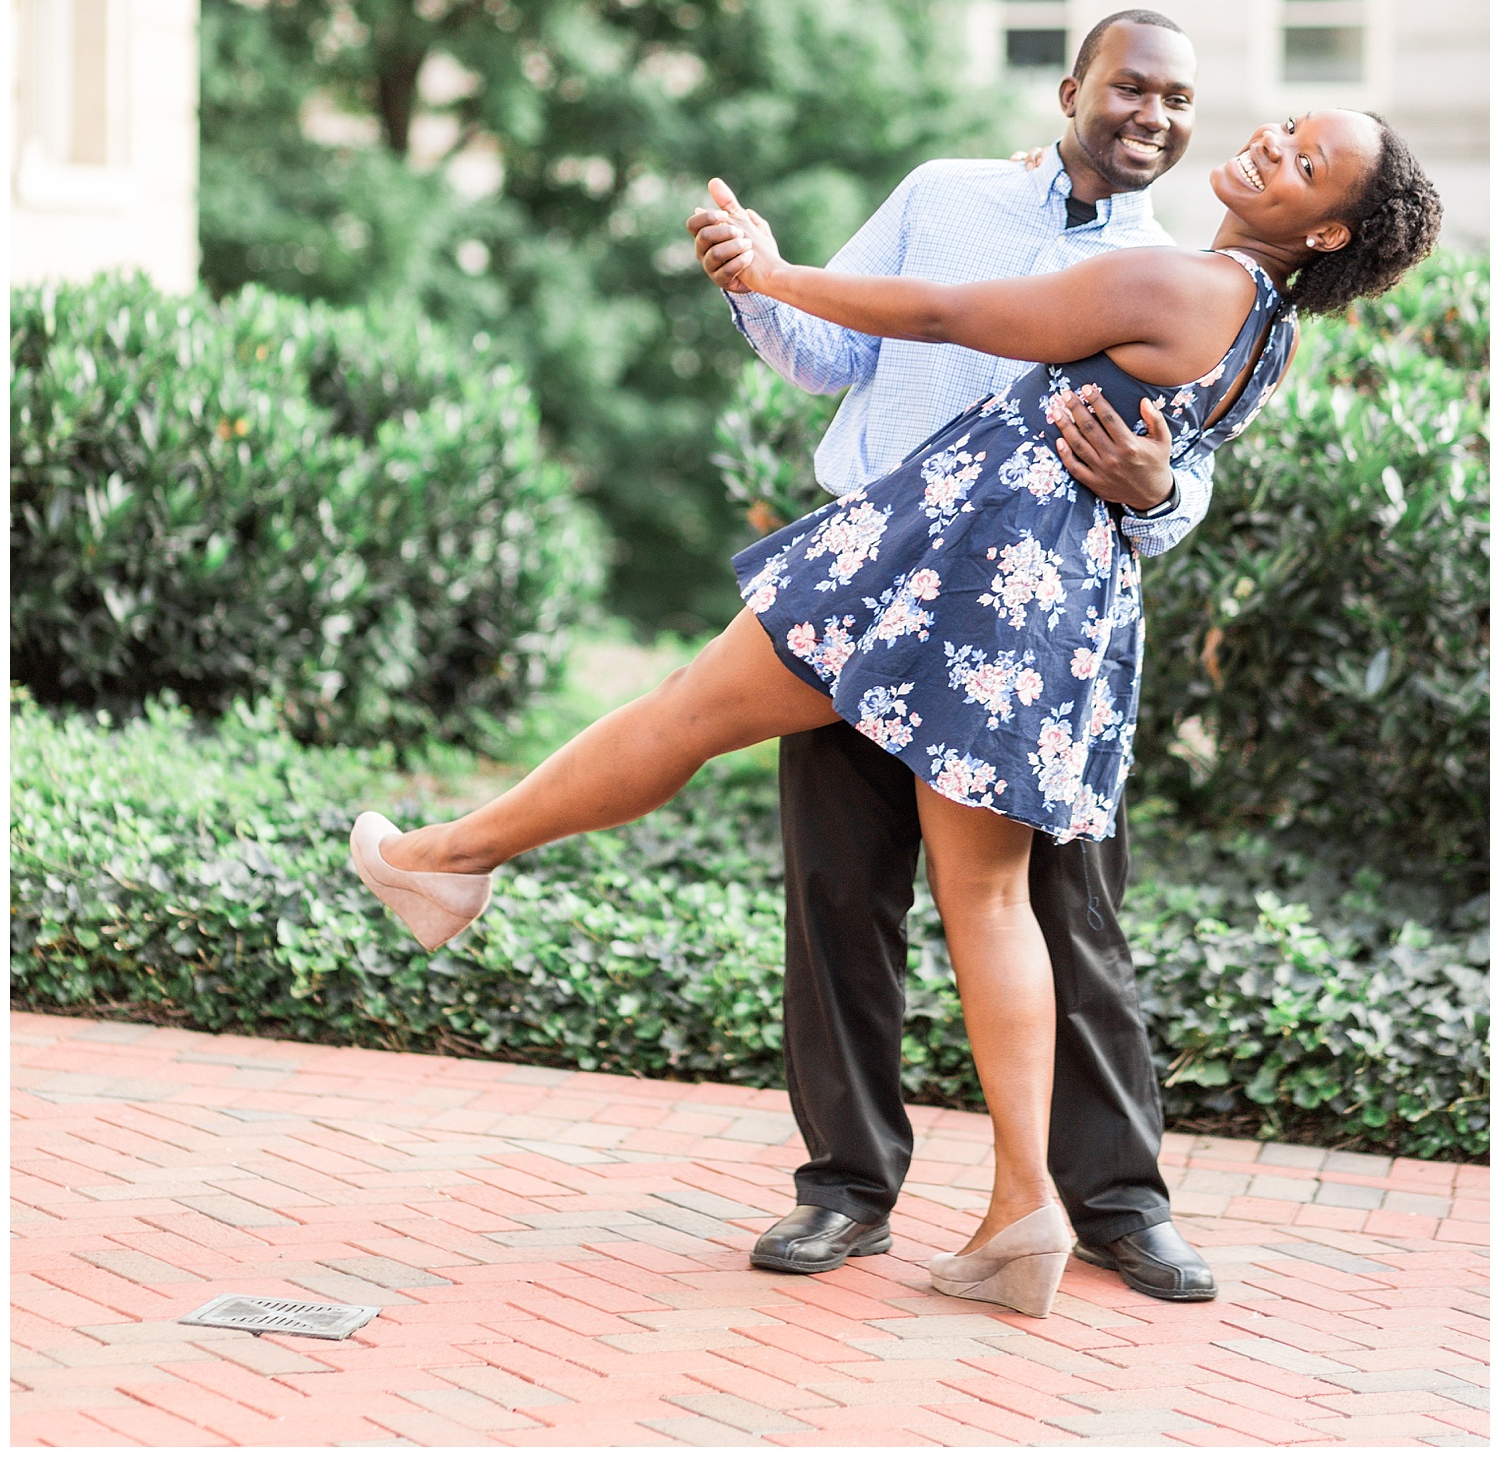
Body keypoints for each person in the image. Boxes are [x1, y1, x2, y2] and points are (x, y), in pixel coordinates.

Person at [349, 100, 1440, 1322]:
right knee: (984, 898)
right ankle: (1018, 1212)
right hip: (1035, 603)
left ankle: (446, 860)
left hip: (944, 566)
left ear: (1334, 231)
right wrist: (773, 294)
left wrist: (775, 269)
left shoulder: (1182, 280)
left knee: (683, 718)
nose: (1267, 147)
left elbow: (946, 315)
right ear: (1075, 93)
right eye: (1287, 127)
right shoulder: (1261, 327)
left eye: (1304, 163)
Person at [693, 9, 1228, 1303]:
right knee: (837, 902)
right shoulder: (946, 198)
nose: (1150, 113)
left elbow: (1189, 481)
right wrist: (749, 277)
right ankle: (847, 1191)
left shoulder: (1189, 280)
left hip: (1031, 650)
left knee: (1071, 919)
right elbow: (832, 350)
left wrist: (1158, 484)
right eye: (1129, 87)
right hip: (868, 603)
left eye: (1175, 98)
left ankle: (1115, 1203)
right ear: (1071, 89)